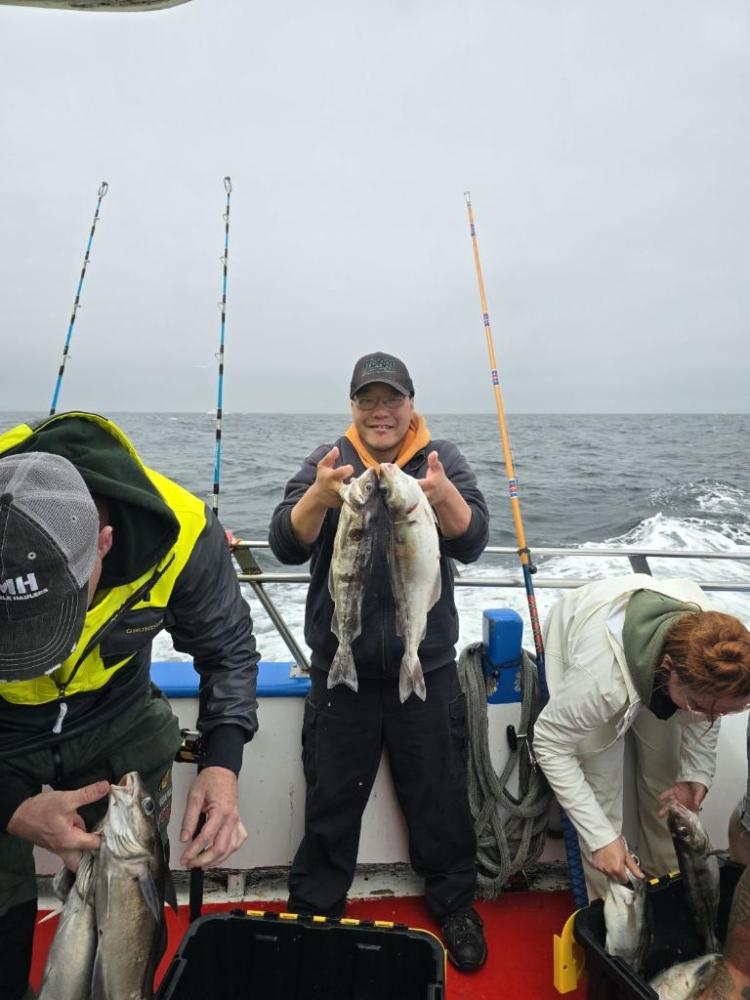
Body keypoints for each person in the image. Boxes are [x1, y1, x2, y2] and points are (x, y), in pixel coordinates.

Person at [0, 412, 260, 1000]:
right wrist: (11, 809)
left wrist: (222, 765)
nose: (40, 652)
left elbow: (229, 651)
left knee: (134, 896)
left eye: (53, 620)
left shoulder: (186, 536)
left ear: (104, 545)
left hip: (114, 712)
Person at [268, 351, 490, 971]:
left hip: (428, 665)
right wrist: (317, 494)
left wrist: (442, 495)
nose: (380, 411)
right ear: (353, 408)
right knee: (331, 797)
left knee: (440, 797)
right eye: (368, 400)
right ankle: (317, 904)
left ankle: (453, 901)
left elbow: (473, 541)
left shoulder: (439, 460)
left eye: (392, 399)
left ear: (411, 404)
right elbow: (286, 541)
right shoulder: (330, 463)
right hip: (343, 670)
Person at [534, 574, 750, 900]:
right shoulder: (599, 684)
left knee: (667, 783)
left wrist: (696, 773)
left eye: (724, 711)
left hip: (660, 661)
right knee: (601, 805)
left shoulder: (716, 648)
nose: (709, 718)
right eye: (698, 707)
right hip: (589, 645)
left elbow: (712, 706)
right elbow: (548, 744)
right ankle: (614, 919)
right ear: (667, 668)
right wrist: (601, 838)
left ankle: (669, 893)